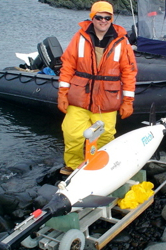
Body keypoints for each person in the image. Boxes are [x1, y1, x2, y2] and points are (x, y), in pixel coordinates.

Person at [58, 1, 137, 175]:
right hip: (79, 97)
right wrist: (62, 94)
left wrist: (128, 101)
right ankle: (73, 166)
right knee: (72, 134)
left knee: (106, 135)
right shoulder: (79, 37)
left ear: (112, 18)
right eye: (99, 17)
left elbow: (129, 73)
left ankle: (98, 165)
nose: (103, 20)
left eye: (107, 17)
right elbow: (67, 66)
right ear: (92, 18)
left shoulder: (122, 42)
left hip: (107, 100)